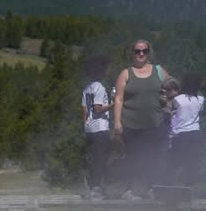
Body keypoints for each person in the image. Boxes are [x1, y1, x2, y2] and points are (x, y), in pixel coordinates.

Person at [112, 39, 167, 200]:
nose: (141, 54)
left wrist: (166, 98)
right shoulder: (125, 73)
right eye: (137, 51)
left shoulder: (159, 71)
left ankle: (150, 188)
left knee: (152, 157)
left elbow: (171, 89)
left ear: (149, 53)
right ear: (133, 53)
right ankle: (129, 190)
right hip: (130, 123)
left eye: (144, 51)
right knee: (131, 157)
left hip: (154, 122)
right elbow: (118, 99)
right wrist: (117, 122)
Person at [79, 55, 112, 199]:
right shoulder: (99, 87)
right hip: (100, 128)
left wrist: (85, 125)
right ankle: (96, 188)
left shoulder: (87, 88)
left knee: (92, 159)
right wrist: (114, 104)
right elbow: (98, 109)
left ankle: (91, 185)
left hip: (89, 128)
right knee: (101, 159)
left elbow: (84, 110)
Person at [165, 72, 204, 187]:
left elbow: (169, 112)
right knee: (191, 161)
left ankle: (172, 184)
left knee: (174, 161)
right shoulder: (201, 99)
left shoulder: (177, 100)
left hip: (180, 134)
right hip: (195, 133)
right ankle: (188, 185)